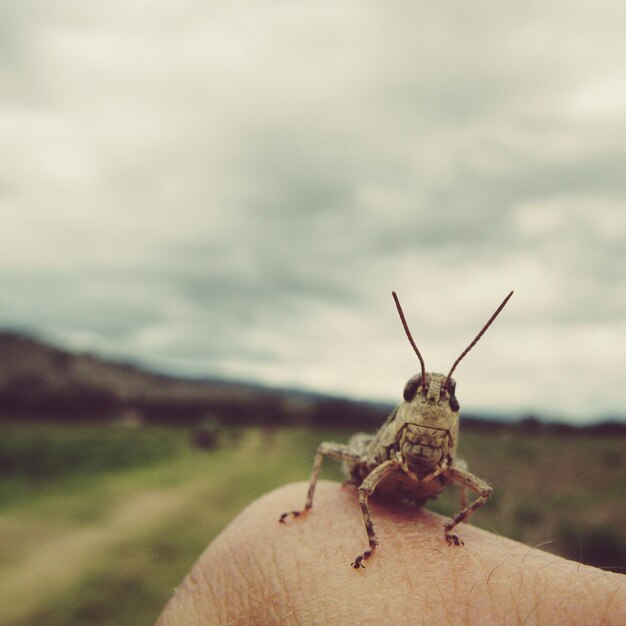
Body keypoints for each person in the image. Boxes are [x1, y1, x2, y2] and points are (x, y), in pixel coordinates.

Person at [156, 481, 625, 625]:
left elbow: (474, 490)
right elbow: (363, 485)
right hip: (378, 468)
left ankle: (453, 532)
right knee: (336, 457)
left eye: (449, 398)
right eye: (422, 394)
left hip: (429, 487)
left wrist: (451, 530)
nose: (436, 405)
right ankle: (369, 541)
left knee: (479, 486)